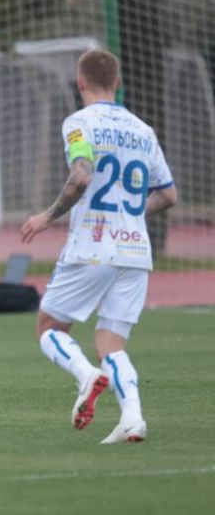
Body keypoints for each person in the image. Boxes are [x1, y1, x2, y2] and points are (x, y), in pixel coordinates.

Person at [20, 49, 176, 444]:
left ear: (80, 82)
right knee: (111, 342)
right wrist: (132, 217)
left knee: (48, 328)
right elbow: (169, 194)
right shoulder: (143, 130)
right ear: (118, 83)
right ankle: (133, 418)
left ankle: (86, 375)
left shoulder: (78, 123)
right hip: (135, 249)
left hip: (92, 244)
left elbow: (80, 176)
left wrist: (47, 216)